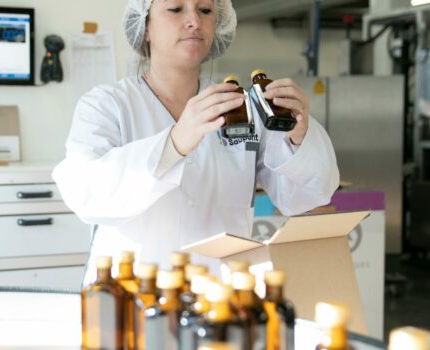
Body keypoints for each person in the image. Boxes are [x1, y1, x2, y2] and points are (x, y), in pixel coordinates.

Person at [53, 0, 340, 282]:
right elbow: (85, 193)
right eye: (175, 9)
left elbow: (305, 197)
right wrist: (175, 142)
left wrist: (298, 137)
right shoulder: (107, 105)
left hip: (219, 294)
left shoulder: (241, 107)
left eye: (205, 10)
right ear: (145, 27)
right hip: (134, 291)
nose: (194, 21)